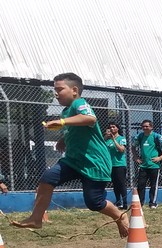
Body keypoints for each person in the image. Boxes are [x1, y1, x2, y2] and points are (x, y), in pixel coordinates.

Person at [10, 73, 128, 237]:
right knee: (48, 178)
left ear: (74, 90)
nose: (56, 93)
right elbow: (78, 128)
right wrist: (63, 139)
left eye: (59, 89)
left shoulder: (79, 103)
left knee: (94, 202)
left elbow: (90, 119)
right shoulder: (66, 111)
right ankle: (36, 218)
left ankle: (120, 216)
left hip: (94, 162)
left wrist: (63, 123)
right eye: (54, 90)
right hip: (73, 160)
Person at [133, 119, 162, 208]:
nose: (145, 128)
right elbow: (133, 147)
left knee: (153, 185)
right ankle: (140, 203)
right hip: (143, 165)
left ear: (151, 127)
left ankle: (152, 203)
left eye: (147, 126)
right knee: (141, 185)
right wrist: (136, 157)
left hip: (154, 165)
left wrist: (160, 157)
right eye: (143, 126)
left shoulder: (156, 136)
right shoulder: (140, 136)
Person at [104, 122, 128, 209]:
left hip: (119, 164)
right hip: (111, 165)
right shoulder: (107, 140)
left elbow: (122, 149)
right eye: (110, 127)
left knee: (121, 184)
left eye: (113, 127)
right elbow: (101, 146)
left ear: (117, 128)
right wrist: (106, 137)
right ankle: (118, 202)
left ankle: (125, 203)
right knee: (115, 184)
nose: (111, 129)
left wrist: (114, 140)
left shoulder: (121, 138)